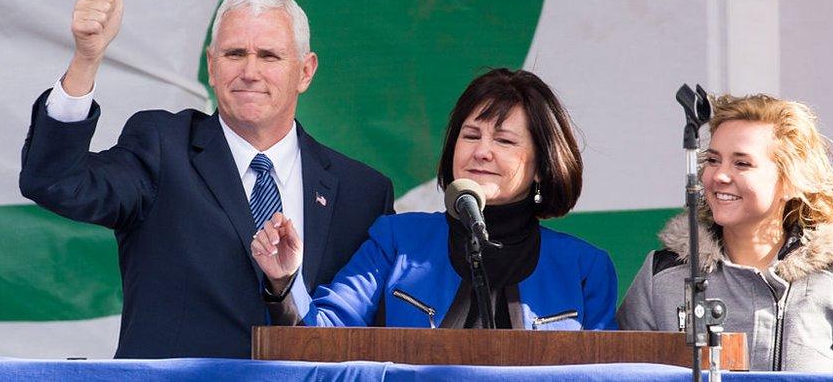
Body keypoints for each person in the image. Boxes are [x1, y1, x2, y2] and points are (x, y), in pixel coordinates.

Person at [19, 0, 394, 358]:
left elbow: (371, 335)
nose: (250, 72)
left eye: (269, 56)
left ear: (305, 71)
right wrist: (87, 58)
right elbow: (55, 181)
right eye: (235, 54)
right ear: (212, 66)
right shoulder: (162, 147)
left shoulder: (362, 192)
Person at [251, 68, 618, 330]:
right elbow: (322, 337)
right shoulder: (397, 240)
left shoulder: (585, 268)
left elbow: (605, 372)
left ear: (542, 165)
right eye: (470, 135)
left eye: (504, 141)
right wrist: (285, 282)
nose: (482, 152)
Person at [617, 94, 833, 373]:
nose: (718, 176)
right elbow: (623, 373)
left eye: (742, 163)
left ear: (791, 181)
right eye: (713, 160)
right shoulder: (664, 273)